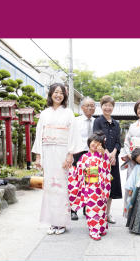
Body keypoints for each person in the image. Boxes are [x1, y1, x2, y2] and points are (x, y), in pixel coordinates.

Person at [32, 83, 84, 235]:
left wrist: (70, 154)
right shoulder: (44, 113)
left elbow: (73, 134)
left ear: (64, 96)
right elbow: (39, 135)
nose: (58, 95)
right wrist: (38, 155)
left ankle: (61, 223)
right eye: (55, 92)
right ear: (50, 94)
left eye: (61, 93)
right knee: (49, 187)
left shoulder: (68, 113)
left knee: (61, 187)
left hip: (62, 152)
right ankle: (52, 221)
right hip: (48, 151)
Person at [68, 131, 111, 241]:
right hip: (89, 187)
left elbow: (107, 169)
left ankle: (100, 227)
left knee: (101, 207)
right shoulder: (84, 156)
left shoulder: (103, 155)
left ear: (101, 145)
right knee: (92, 208)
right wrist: (76, 170)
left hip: (100, 187)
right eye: (93, 141)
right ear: (89, 142)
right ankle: (94, 230)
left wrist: (102, 155)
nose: (95, 144)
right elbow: (78, 170)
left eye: (98, 142)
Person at [93, 95, 122, 224]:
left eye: (110, 105)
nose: (108, 107)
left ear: (113, 107)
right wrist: (106, 153)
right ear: (101, 106)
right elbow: (96, 139)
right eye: (105, 105)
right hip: (100, 159)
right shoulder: (98, 121)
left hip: (113, 160)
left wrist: (114, 153)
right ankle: (98, 212)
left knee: (110, 187)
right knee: (99, 186)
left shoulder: (116, 124)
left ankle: (107, 213)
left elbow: (118, 142)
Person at [71, 96, 96, 221]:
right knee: (76, 182)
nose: (90, 107)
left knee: (91, 181)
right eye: (88, 105)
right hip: (78, 154)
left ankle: (88, 208)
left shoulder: (96, 122)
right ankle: (73, 210)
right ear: (82, 108)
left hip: (93, 156)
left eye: (92, 105)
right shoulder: (75, 121)